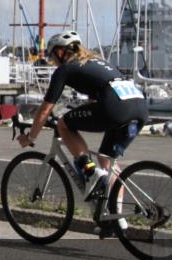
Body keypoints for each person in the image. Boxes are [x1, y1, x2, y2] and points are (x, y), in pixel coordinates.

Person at [18, 31, 148, 236]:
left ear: (61, 52)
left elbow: (45, 109)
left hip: (116, 107)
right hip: (139, 107)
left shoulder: (66, 69)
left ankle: (88, 170)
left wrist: (30, 137)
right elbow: (97, 98)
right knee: (108, 160)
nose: (52, 61)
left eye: (52, 56)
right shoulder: (96, 62)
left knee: (63, 124)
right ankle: (115, 217)